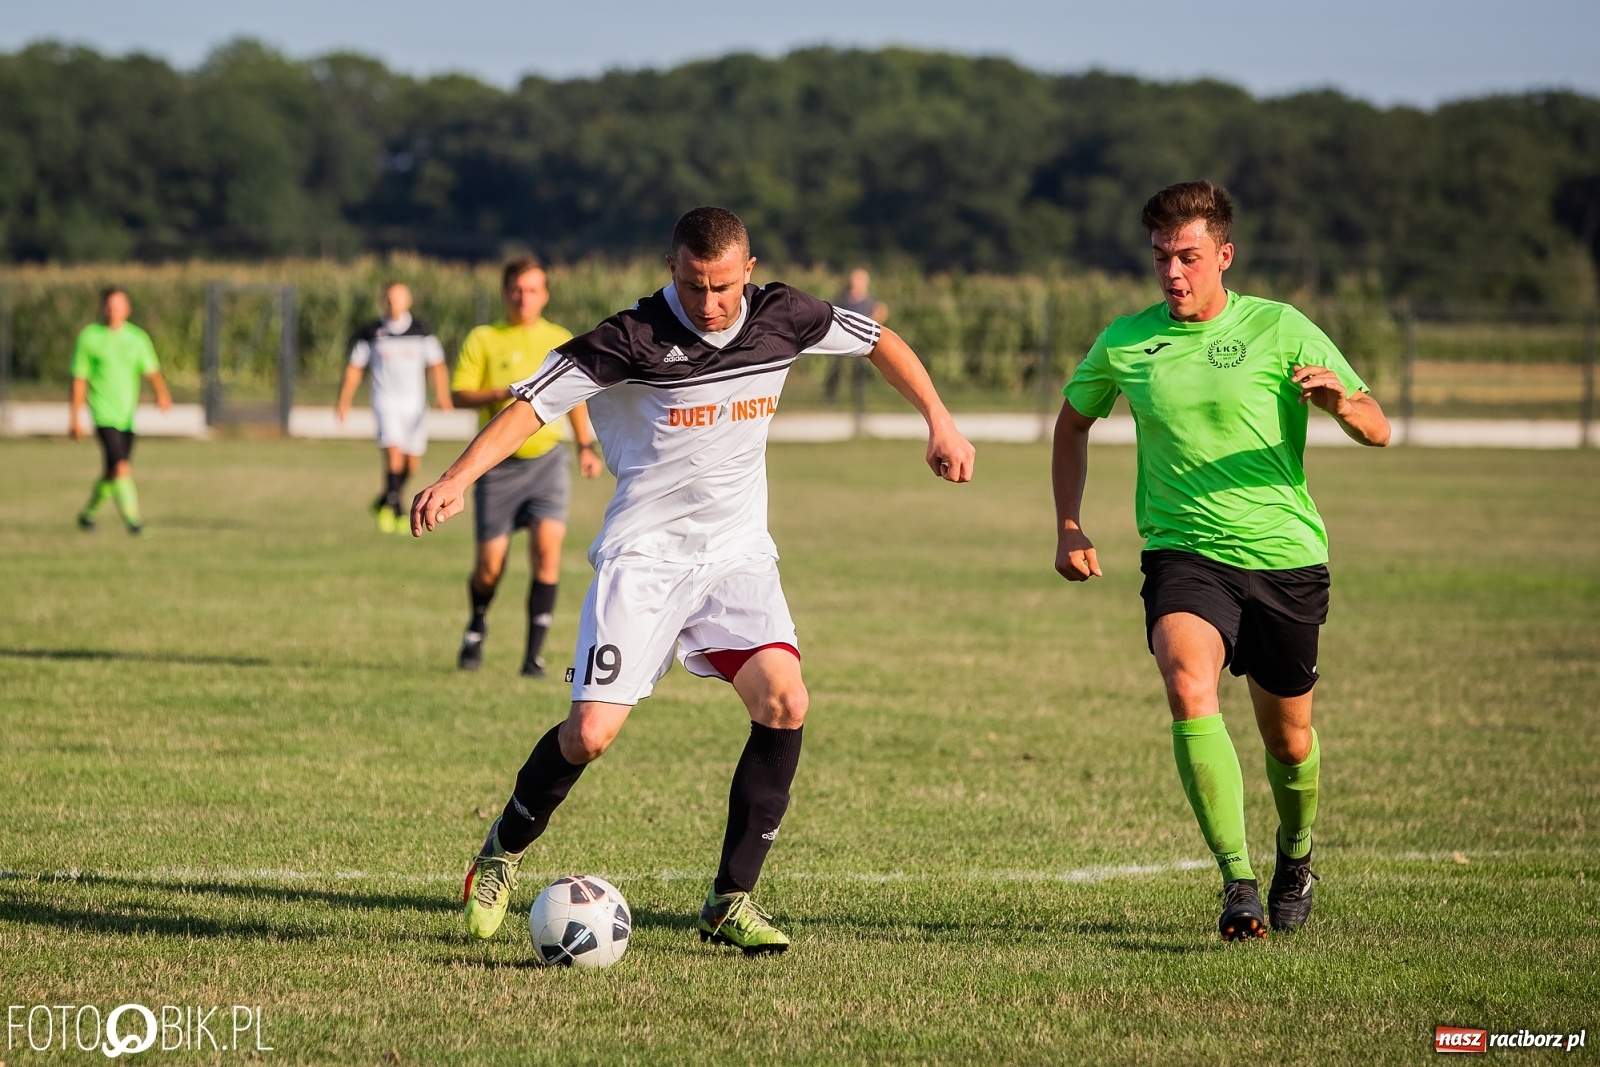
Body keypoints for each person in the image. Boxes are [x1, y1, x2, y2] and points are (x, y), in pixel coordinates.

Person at [412, 207, 975, 953]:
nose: (708, 302)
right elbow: (532, 405)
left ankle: (729, 900)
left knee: (785, 701)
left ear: (749, 270)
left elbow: (879, 340)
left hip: (736, 556)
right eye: (692, 284)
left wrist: (939, 418)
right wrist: (456, 477)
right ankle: (501, 851)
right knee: (590, 735)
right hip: (644, 559)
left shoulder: (783, 315)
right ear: (670, 269)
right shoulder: (631, 336)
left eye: (722, 286)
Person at [1052, 181, 1390, 941]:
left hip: (1284, 557)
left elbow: (1379, 426)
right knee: (1186, 681)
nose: (1172, 272)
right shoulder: (1126, 341)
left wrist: (1341, 402)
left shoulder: (1281, 326)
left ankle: (1295, 854)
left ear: (1224, 256)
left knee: (1289, 741)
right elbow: (1071, 424)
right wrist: (1070, 524)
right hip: (1183, 553)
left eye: (1189, 257)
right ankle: (1237, 883)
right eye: (1161, 257)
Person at [449, 256, 605, 678]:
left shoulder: (559, 338)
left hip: (548, 462)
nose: (524, 297)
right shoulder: (484, 338)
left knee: (547, 553)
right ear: (505, 292)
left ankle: (533, 656)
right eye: (517, 290)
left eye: (532, 290)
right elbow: (458, 394)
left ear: (545, 295)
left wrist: (585, 447)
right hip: (497, 467)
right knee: (489, 567)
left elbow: (575, 398)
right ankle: (477, 623)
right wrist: (503, 394)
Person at [336, 282, 453, 533]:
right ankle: (397, 511)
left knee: (411, 464)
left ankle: (385, 500)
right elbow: (355, 368)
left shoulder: (421, 331)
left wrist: (442, 395)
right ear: (383, 301)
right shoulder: (371, 332)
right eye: (389, 299)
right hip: (385, 402)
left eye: (398, 299)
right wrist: (344, 400)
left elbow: (437, 365)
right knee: (393, 455)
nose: (393, 304)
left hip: (415, 406)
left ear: (408, 301)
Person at [70, 287, 172, 536]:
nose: (113, 310)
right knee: (122, 467)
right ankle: (133, 521)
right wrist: (75, 417)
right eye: (109, 305)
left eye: (118, 305)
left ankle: (88, 515)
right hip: (103, 414)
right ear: (103, 308)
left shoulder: (137, 338)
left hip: (126, 416)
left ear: (127, 309)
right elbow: (79, 379)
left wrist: (161, 394)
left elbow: (151, 369)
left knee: (112, 471)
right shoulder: (89, 337)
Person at [822, 268, 889, 403]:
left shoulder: (869, 301)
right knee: (836, 366)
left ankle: (858, 397)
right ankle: (830, 395)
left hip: (860, 339)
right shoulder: (844, 299)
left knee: (859, 369)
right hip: (842, 338)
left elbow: (881, 311)